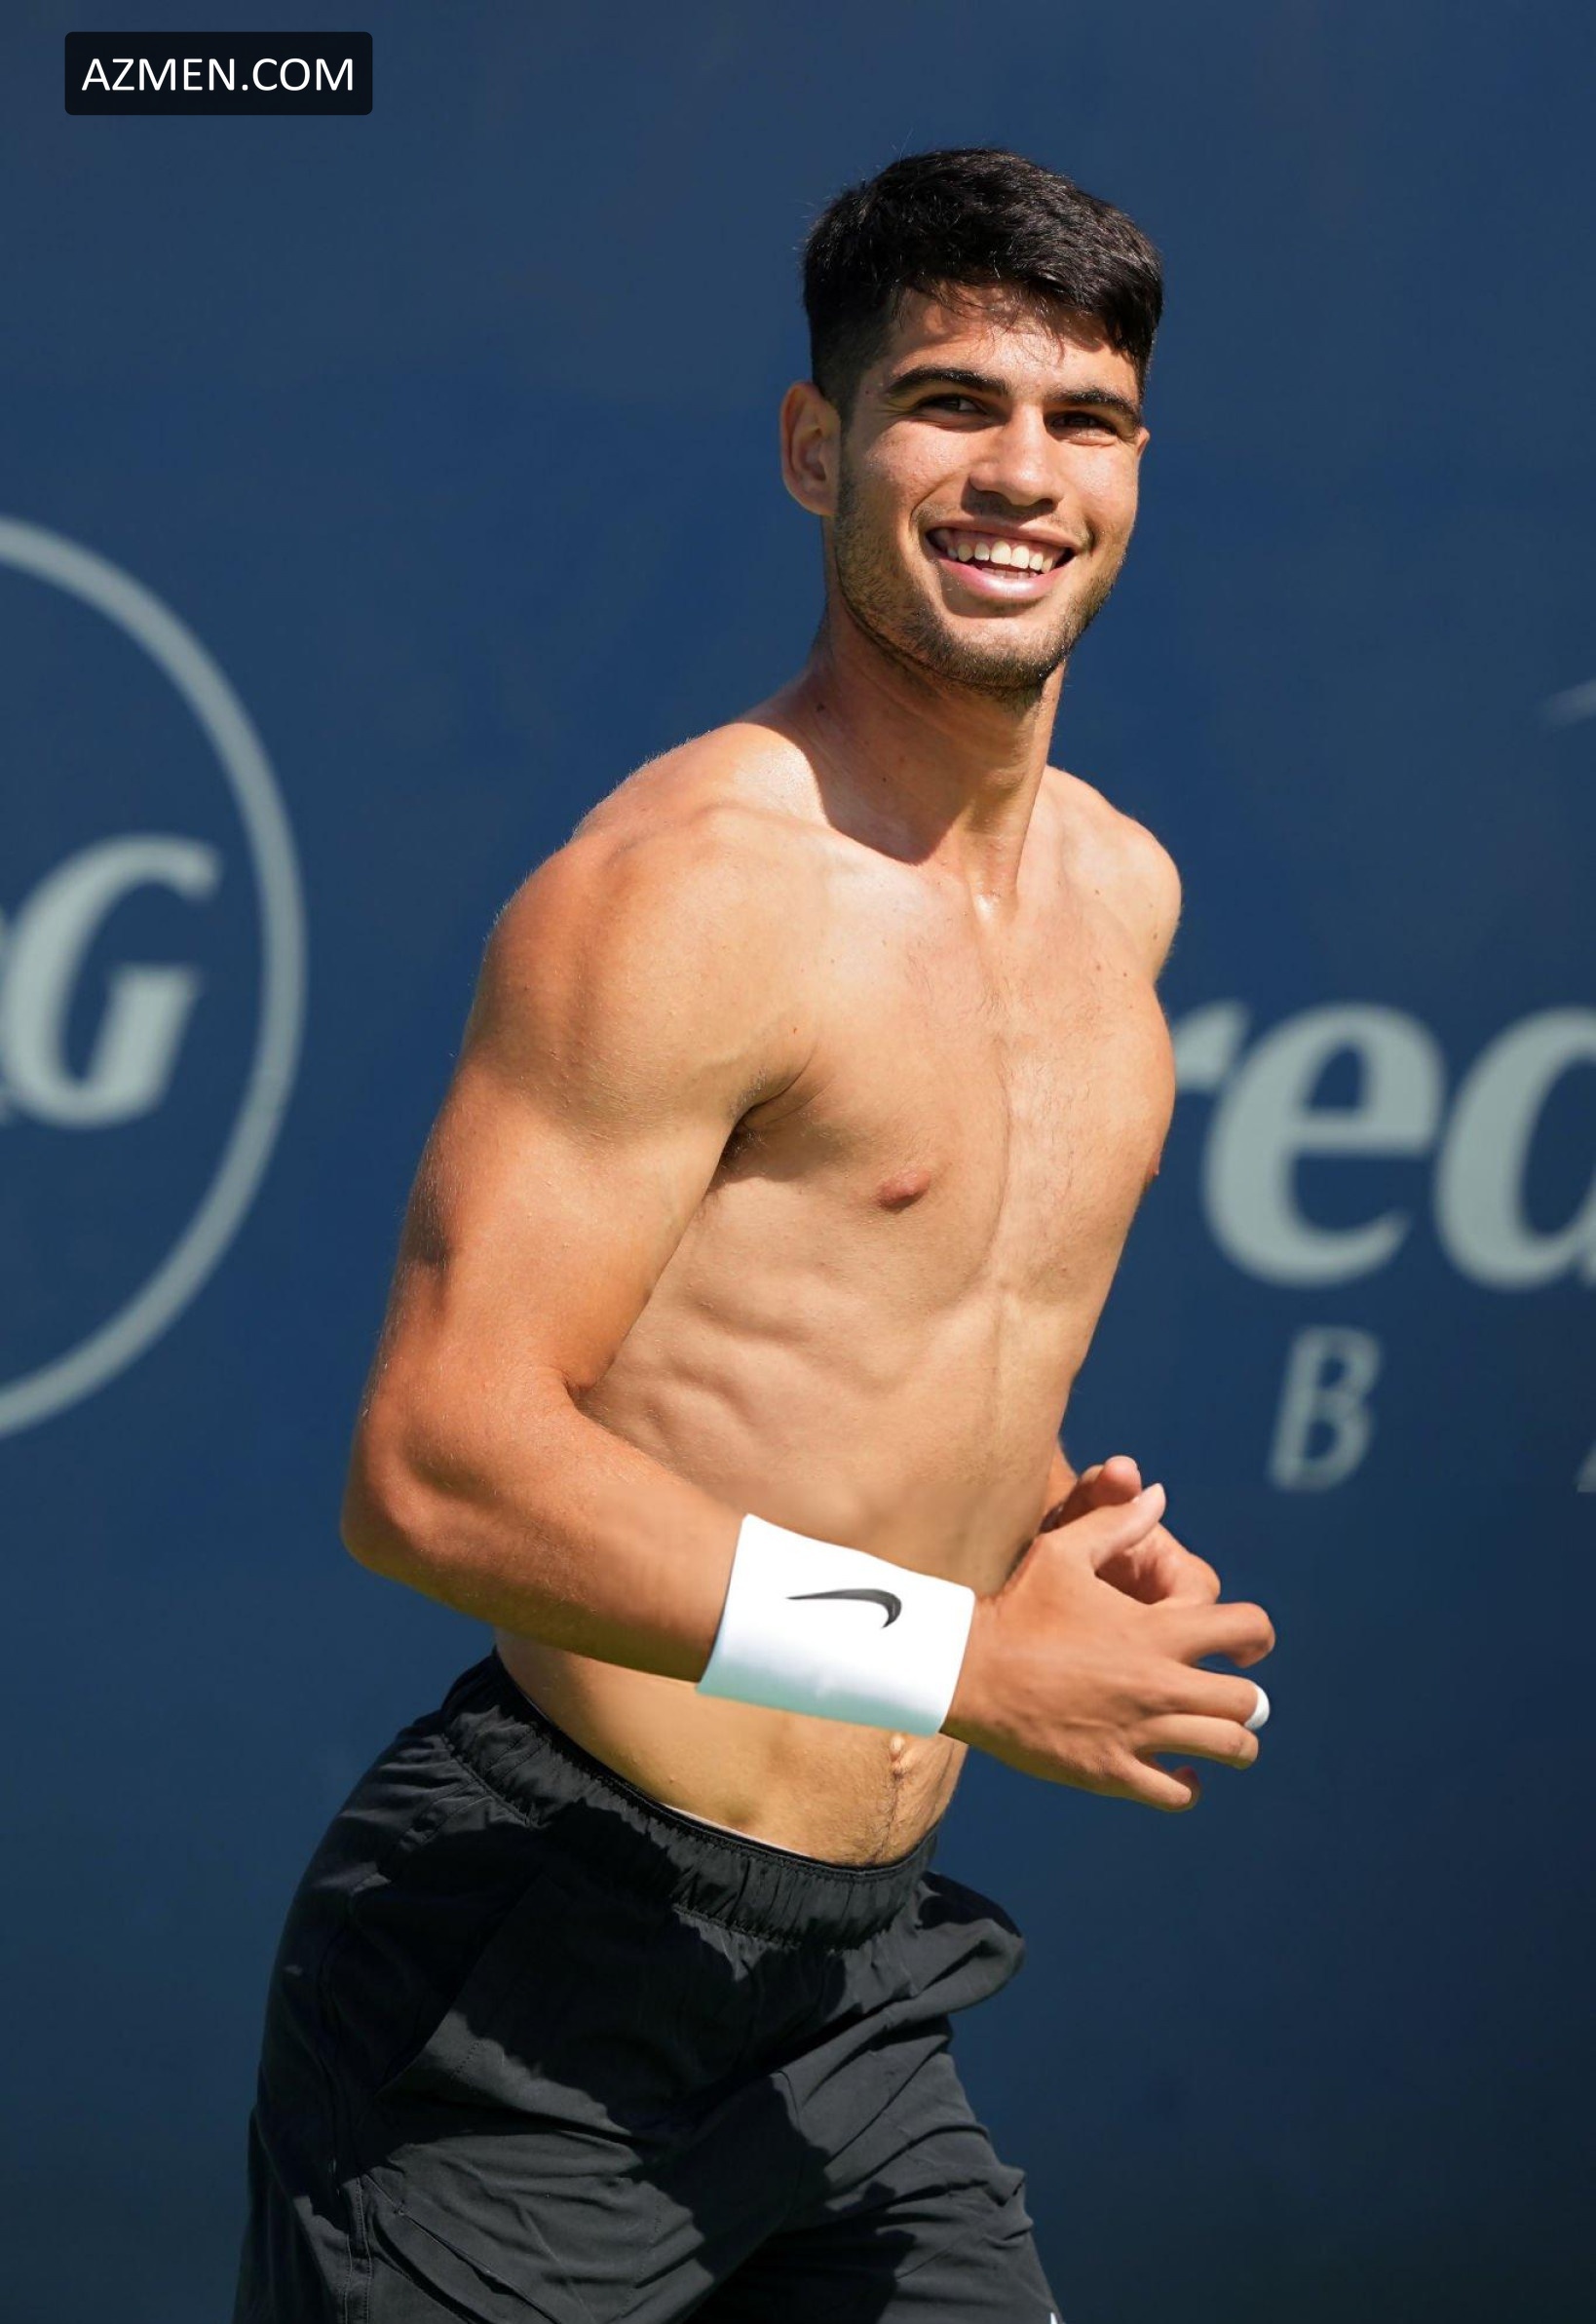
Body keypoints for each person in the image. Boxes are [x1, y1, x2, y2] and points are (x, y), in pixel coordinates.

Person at [234, 145, 1275, 2324]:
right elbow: (434, 1462)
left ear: (1136, 472)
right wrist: (963, 1658)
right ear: (817, 446)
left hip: (848, 2000)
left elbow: (843, 1363)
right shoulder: (686, 890)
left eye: (1082, 420)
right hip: (525, 1990)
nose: (1021, 475)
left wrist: (1033, 1539)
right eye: (949, 404)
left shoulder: (1122, 895)